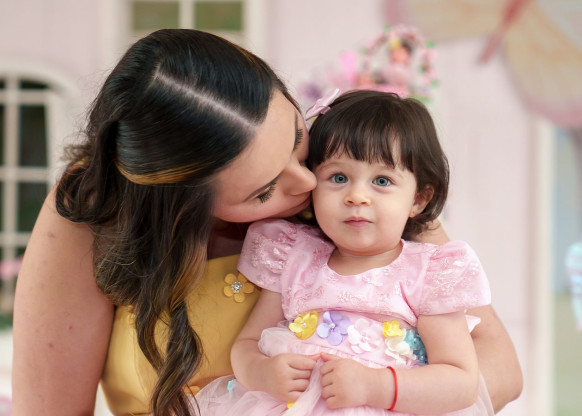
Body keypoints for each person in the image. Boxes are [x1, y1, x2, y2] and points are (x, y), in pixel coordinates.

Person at [11, 29, 521, 416]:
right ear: (182, 207)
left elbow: (497, 370)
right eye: (263, 190)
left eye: (297, 138)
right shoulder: (93, 210)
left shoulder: (355, 183)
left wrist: (376, 390)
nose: (308, 181)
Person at [193, 90, 494, 415]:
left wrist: (376, 386)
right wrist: (262, 372)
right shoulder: (295, 256)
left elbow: (461, 382)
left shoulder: (429, 273)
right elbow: (246, 344)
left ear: (419, 199)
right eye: (338, 178)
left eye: (382, 181)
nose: (357, 196)